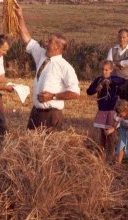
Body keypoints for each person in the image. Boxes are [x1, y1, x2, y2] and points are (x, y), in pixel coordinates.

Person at [14, 3, 80, 131]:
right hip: (36, 113)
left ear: (58, 48)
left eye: (50, 42)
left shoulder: (65, 67)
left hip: (52, 115)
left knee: (48, 149)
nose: (46, 43)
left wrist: (53, 96)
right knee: (30, 148)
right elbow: (26, 37)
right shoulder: (42, 55)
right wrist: (20, 16)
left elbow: (75, 93)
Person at [87, 60, 126, 160]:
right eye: (102, 69)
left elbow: (123, 81)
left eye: (106, 70)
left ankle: (111, 155)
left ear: (111, 70)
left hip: (111, 110)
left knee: (111, 134)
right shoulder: (98, 80)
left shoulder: (114, 79)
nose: (104, 72)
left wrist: (110, 82)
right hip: (102, 110)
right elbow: (89, 91)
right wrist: (97, 89)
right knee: (102, 133)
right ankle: (102, 153)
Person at [107, 29, 128, 102]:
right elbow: (108, 63)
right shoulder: (112, 49)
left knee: (125, 103)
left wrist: (117, 63)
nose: (121, 39)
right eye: (120, 37)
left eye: (124, 37)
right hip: (114, 79)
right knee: (113, 102)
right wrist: (122, 64)